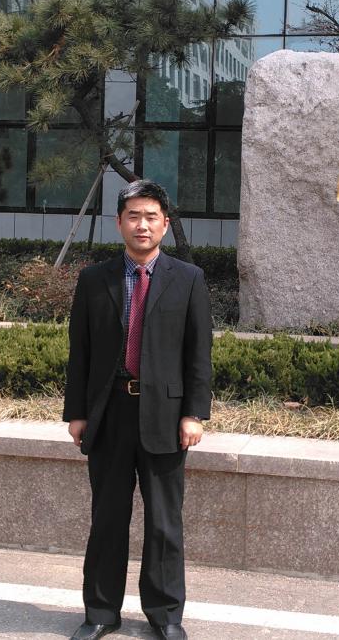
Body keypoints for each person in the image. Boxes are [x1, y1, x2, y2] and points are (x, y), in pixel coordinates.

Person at [64, 179, 213, 640]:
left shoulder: (188, 279)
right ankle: (100, 612)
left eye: (151, 217)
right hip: (109, 414)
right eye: (134, 216)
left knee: (165, 523)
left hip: (166, 417)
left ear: (165, 224)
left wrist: (194, 414)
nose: (142, 225)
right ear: (119, 223)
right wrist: (77, 413)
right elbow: (80, 352)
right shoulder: (95, 279)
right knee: (107, 518)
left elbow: (198, 353)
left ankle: (165, 616)